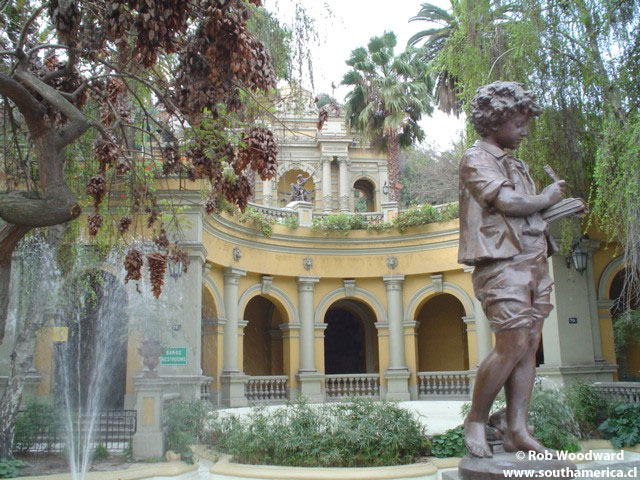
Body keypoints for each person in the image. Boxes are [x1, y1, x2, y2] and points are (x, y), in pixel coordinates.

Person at [458, 81, 566, 458]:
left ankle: (516, 428)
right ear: (496, 120)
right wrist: (545, 198)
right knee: (514, 340)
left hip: (533, 258)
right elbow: (506, 201)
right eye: (519, 123)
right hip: (501, 262)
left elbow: (526, 211)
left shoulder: (515, 162)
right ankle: (476, 418)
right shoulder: (477, 158)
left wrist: (551, 208)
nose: (524, 130)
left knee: (529, 345)